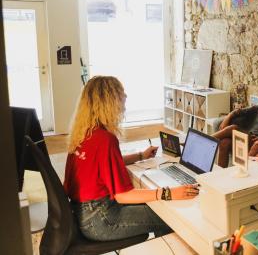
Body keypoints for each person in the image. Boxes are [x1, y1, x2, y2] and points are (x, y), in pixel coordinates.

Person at [64, 76, 199, 241]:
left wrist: (140, 156)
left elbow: (103, 165)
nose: (125, 97)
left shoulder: (85, 133)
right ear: (109, 101)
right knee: (168, 214)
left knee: (154, 203)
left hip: (82, 214)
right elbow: (123, 195)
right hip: (101, 219)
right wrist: (169, 192)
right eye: (121, 93)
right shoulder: (105, 139)